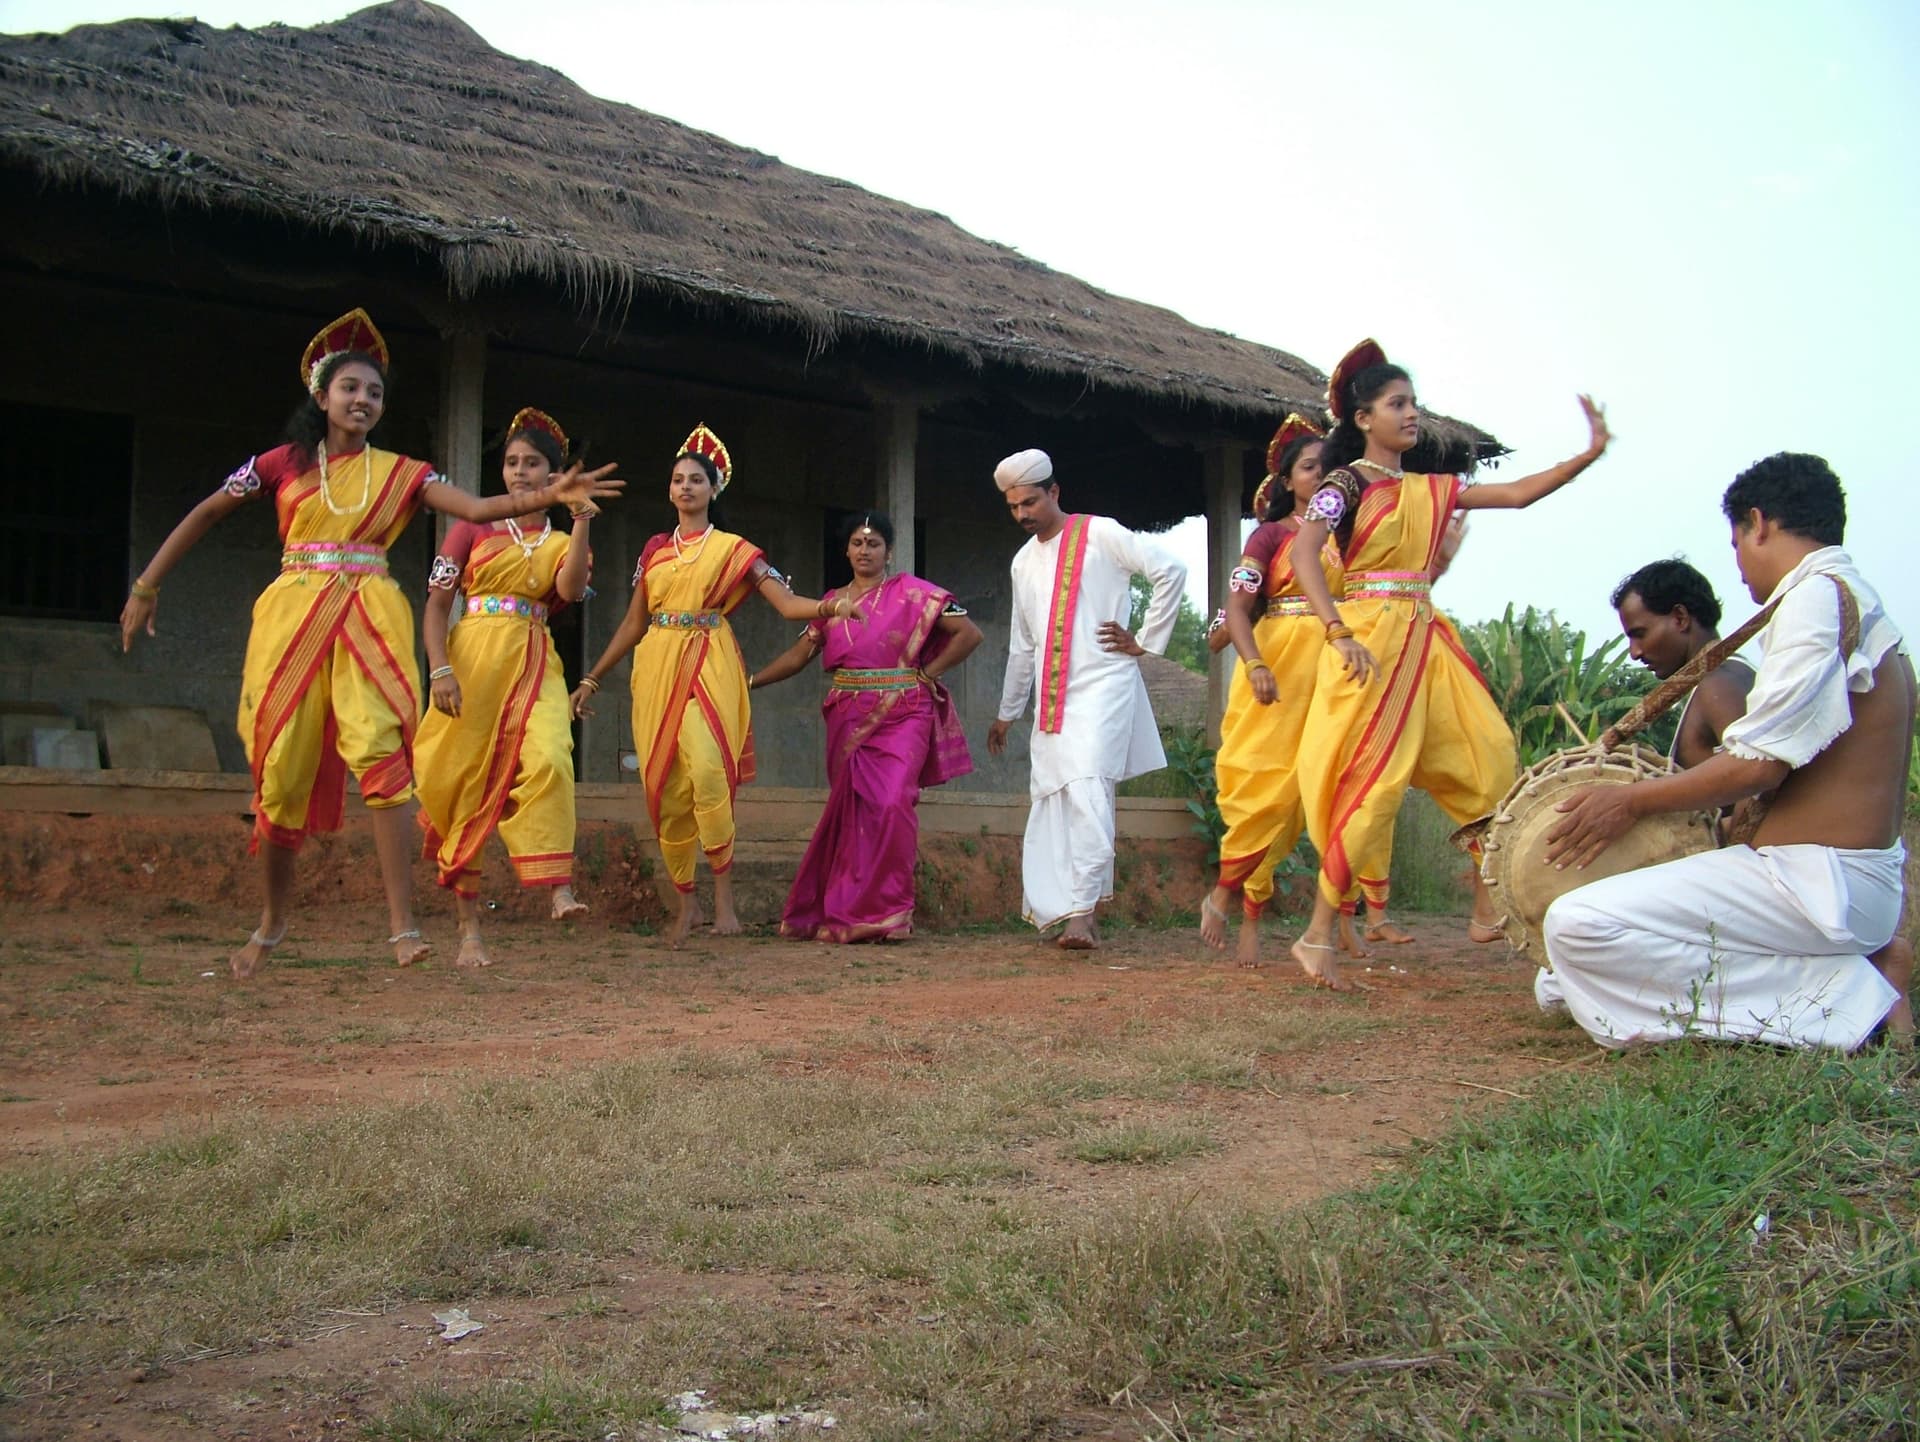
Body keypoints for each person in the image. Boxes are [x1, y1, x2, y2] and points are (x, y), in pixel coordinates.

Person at [118, 310, 622, 980]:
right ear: (321, 395)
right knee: (280, 777)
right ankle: (271, 923)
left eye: (375, 393)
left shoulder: (405, 473)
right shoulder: (281, 464)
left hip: (370, 621)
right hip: (292, 622)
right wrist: (147, 584)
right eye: (350, 388)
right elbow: (210, 509)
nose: (363, 400)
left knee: (384, 763)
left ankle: (403, 927)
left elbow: (471, 510)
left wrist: (548, 496)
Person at [1543, 454, 1913, 1048]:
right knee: (1555, 979)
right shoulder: (1860, 602)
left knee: (1576, 926)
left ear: (1758, 523)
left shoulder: (1816, 599)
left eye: (1736, 539)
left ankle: (1853, 995)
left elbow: (1758, 764)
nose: (1738, 561)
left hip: (1815, 886)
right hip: (1833, 883)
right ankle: (1849, 978)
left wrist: (1631, 801)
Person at [1288, 338, 1609, 990]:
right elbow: (1304, 555)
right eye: (1396, 404)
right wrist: (1336, 629)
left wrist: (1587, 455)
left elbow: (1517, 493)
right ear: (1363, 419)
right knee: (1373, 785)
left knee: (1487, 754)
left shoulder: (1433, 489)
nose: (1411, 414)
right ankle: (1317, 933)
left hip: (1426, 638)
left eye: (1414, 404)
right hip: (1371, 642)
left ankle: (1486, 900)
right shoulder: (1341, 485)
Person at [570, 424, 855, 947]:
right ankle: (688, 905)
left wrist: (829, 606)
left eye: (696, 480)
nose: (685, 487)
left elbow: (787, 604)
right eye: (677, 479)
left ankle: (724, 897)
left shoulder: (734, 549)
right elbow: (634, 623)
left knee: (706, 769)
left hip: (708, 661)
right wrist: (592, 676)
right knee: (668, 787)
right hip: (656, 666)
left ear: (712, 489)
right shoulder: (655, 551)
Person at [413, 408, 595, 968]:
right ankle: (469, 933)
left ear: (554, 472)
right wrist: (440, 669)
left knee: (551, 758)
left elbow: (569, 587)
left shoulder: (561, 538)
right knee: (464, 790)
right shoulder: (471, 527)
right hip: (472, 661)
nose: (519, 472)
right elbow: (438, 605)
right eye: (512, 463)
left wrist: (583, 518)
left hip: (535, 657)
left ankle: (558, 883)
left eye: (533, 463)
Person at [986, 449, 1188, 949]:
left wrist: (1147, 640)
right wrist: (1008, 712)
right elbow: (1022, 643)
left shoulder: (1102, 533)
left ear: (1055, 492)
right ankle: (1079, 910)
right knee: (1059, 795)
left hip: (1104, 685)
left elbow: (1170, 570)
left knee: (1089, 787)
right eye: (1014, 508)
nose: (1023, 515)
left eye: (1030, 502)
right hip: (1051, 700)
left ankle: (1081, 913)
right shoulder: (1022, 562)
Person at [751, 511, 984, 941]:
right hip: (847, 716)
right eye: (857, 542)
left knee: (893, 802)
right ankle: (848, 912)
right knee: (854, 812)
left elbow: (969, 634)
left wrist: (927, 674)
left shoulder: (916, 594)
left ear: (889, 552)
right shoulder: (830, 602)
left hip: (904, 710)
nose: (864, 550)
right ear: (846, 550)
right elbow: (798, 655)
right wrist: (749, 681)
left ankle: (890, 913)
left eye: (873, 543)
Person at [1612, 558, 1754, 768]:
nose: (1634, 652)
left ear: (1680, 618)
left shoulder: (1718, 685)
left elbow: (1756, 786)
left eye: (1640, 634)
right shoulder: (1729, 674)